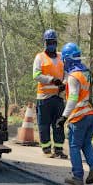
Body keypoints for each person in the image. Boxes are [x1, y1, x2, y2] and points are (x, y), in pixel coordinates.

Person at [55, 43, 93, 185]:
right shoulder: (89, 73)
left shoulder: (73, 76)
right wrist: (65, 84)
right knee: (86, 142)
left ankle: (77, 177)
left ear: (67, 60)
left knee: (74, 145)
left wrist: (63, 117)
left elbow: (73, 98)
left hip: (81, 117)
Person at [33, 29, 66, 158]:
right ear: (45, 43)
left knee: (58, 124)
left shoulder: (61, 56)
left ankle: (58, 149)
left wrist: (64, 83)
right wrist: (51, 80)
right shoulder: (39, 57)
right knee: (44, 125)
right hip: (44, 97)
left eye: (53, 42)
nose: (51, 44)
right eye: (48, 42)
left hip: (58, 97)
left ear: (56, 42)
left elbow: (67, 73)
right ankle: (46, 150)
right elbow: (36, 75)